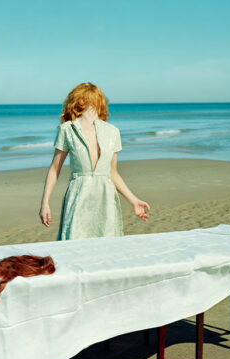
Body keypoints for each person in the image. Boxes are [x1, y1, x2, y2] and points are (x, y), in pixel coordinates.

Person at [39, 82, 150, 240]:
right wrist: (45, 203)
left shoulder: (112, 132)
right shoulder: (67, 130)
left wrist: (134, 201)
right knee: (74, 243)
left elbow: (112, 173)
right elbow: (54, 169)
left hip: (106, 198)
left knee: (107, 245)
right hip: (79, 196)